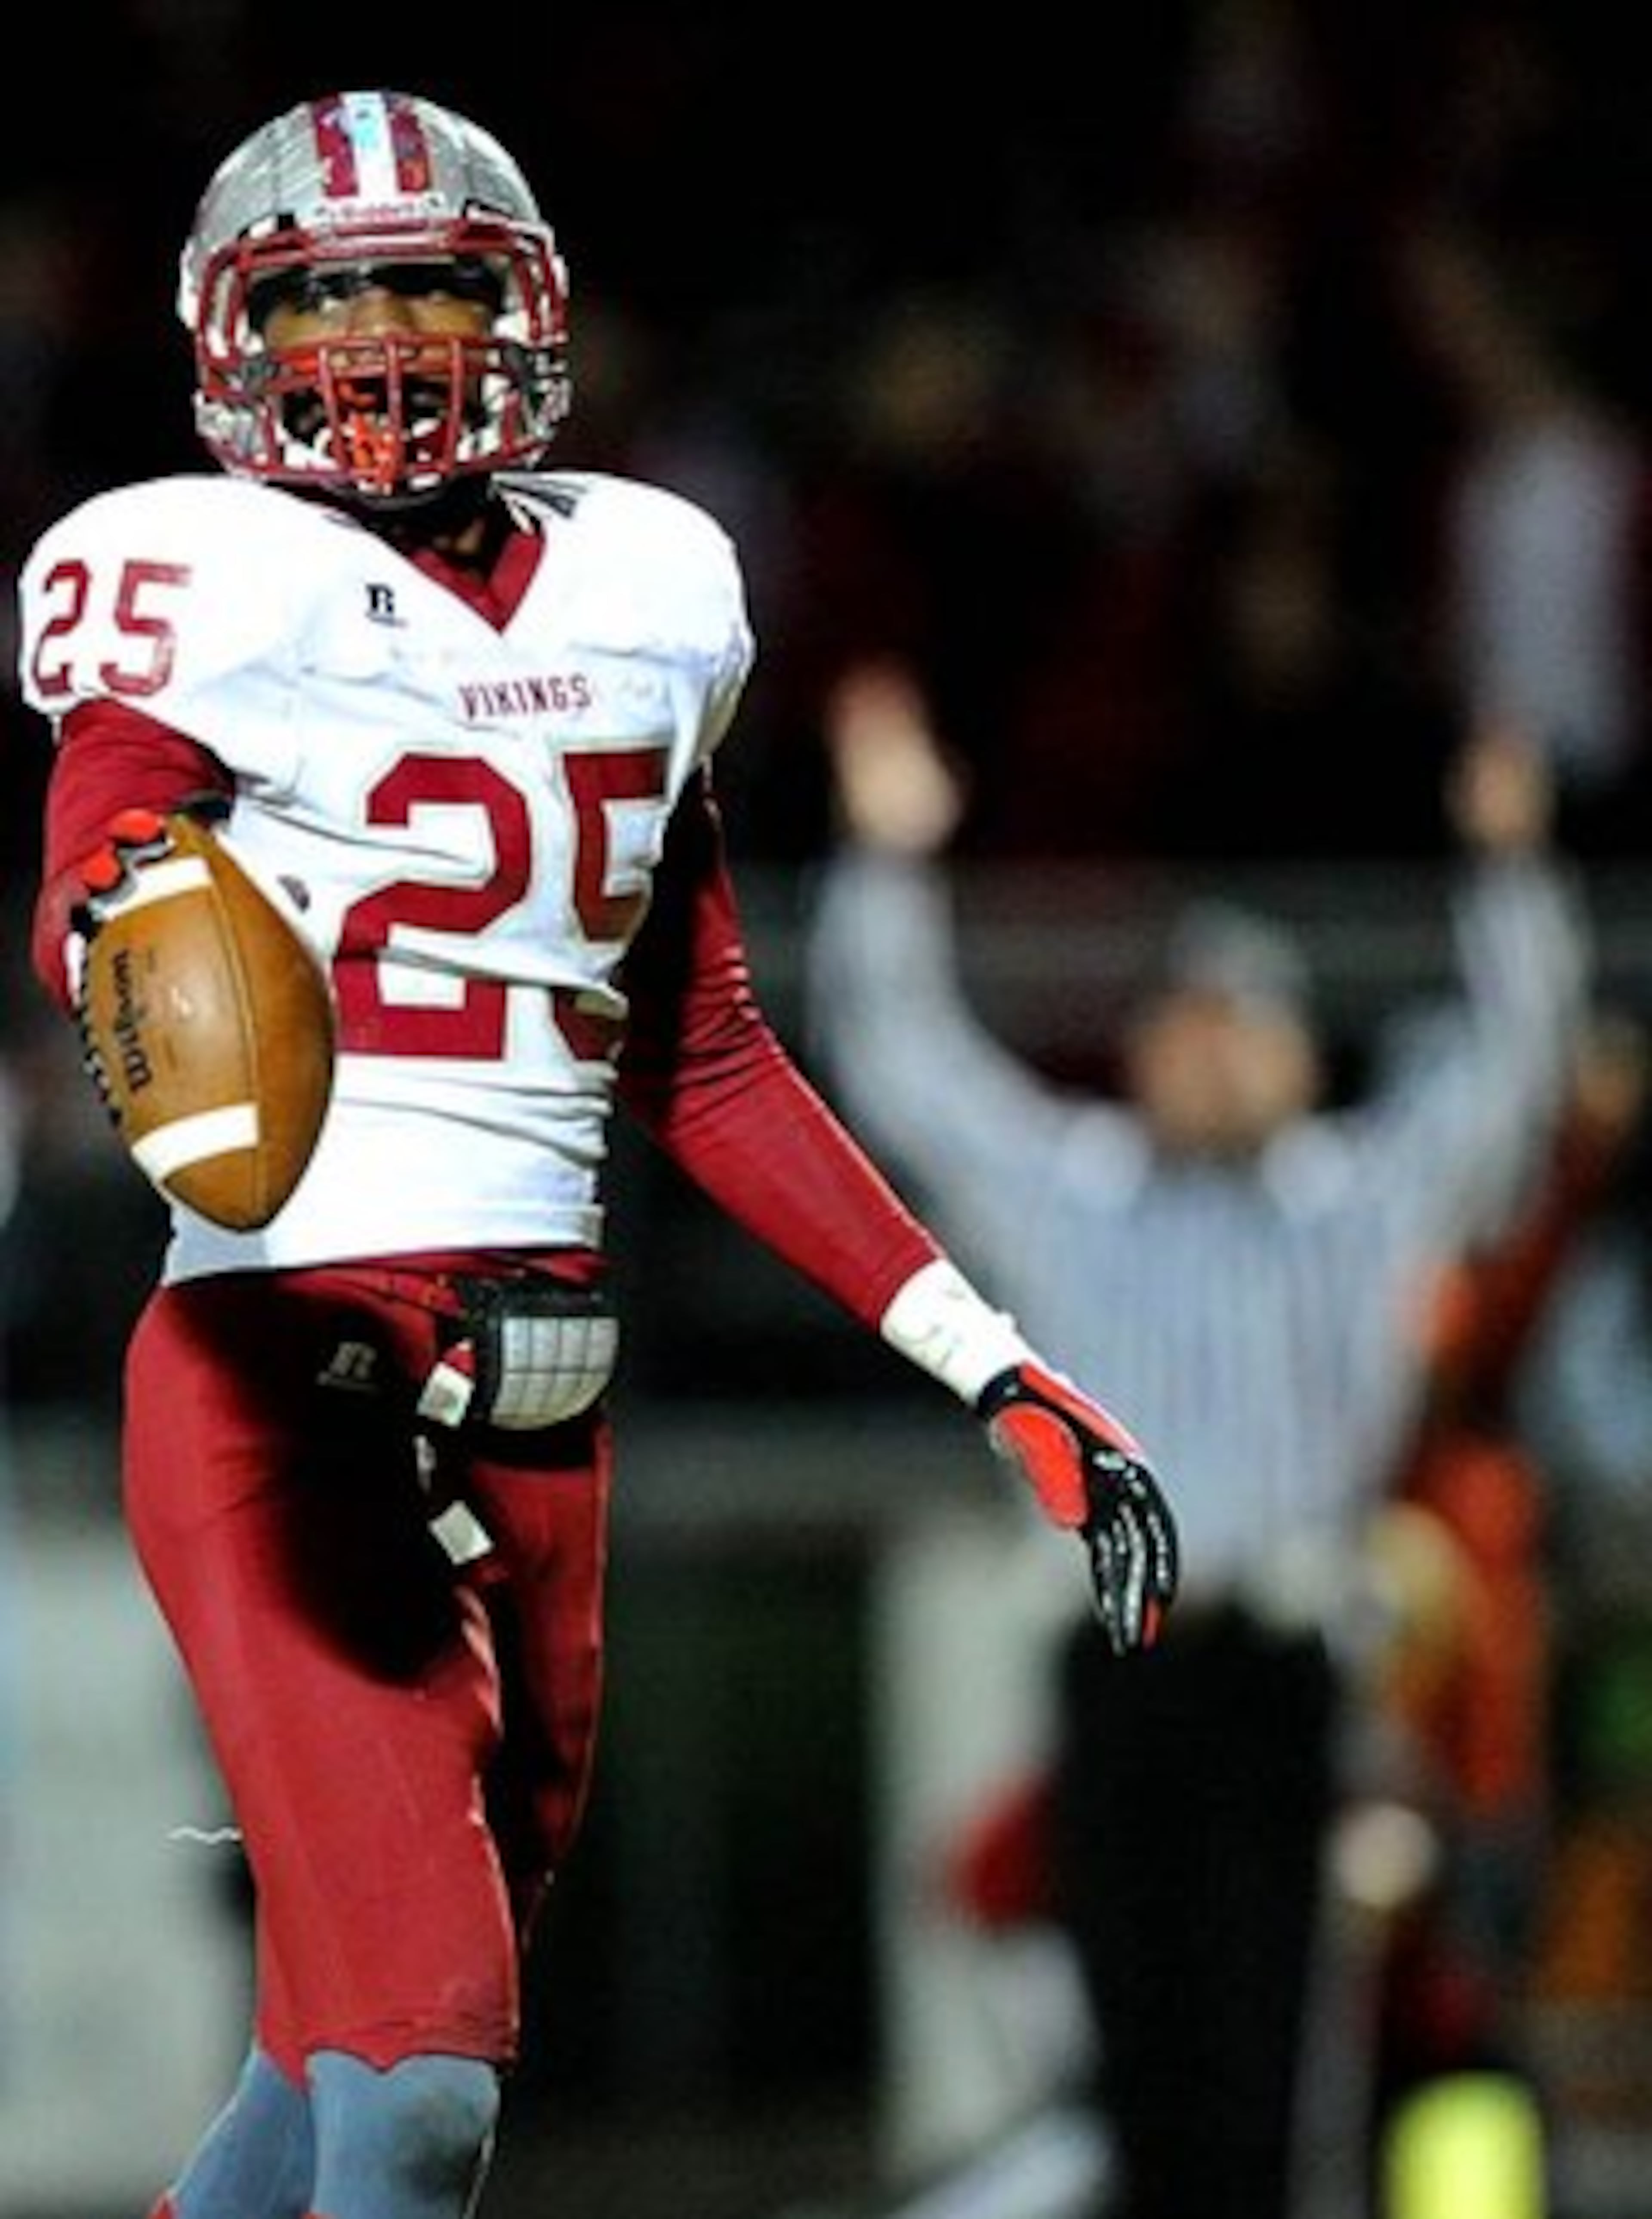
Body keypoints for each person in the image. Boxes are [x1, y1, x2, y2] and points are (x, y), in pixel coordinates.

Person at [12, 92, 1178, 2219]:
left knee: (325, 2071)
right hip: (290, 1379)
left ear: (529, 310)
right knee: (424, 2082)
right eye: (325, 301)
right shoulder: (194, 580)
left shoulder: (654, 586)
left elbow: (709, 1053)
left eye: (428, 288)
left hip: (543, 1409)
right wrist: (113, 905)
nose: (378, 349)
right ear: (221, 340)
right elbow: (107, 822)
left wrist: (987, 1361)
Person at [805, 659, 1590, 2219]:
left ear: (1297, 1053)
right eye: (1188, 1024)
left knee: (1274, 2055)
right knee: (1140, 2043)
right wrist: (887, 858)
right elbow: (903, 1063)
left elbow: (1515, 1071)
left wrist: (1513, 870)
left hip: (1290, 1667)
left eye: (1245, 1028)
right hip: (1119, 1666)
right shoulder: (1079, 1194)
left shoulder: (1350, 1204)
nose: (1214, 1054)